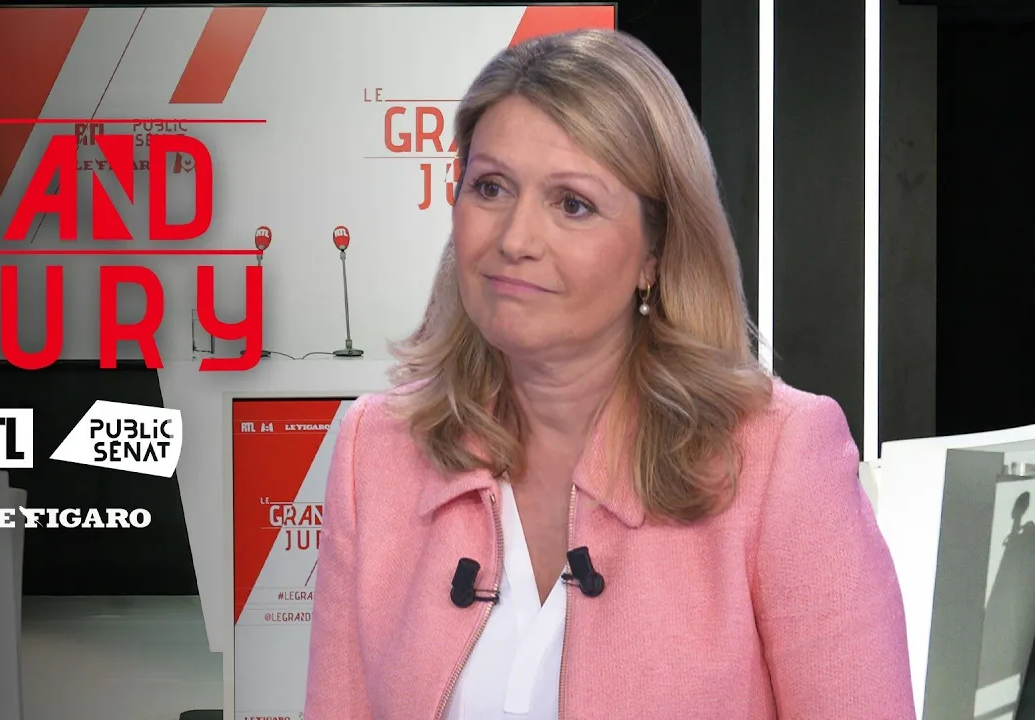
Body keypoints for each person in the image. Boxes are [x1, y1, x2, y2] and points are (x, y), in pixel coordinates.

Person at [304, 29, 915, 719]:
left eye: (573, 204)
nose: (515, 240)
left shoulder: (779, 460)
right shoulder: (375, 451)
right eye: (491, 187)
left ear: (655, 251)